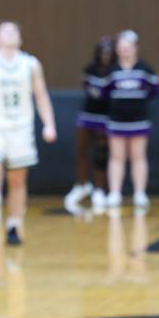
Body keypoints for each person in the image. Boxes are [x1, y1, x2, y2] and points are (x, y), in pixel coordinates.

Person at [0, 21, 57, 246]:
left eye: (14, 30)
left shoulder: (31, 64)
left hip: (21, 127)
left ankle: (14, 224)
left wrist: (49, 124)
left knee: (17, 180)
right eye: (5, 31)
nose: (10, 34)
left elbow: (41, 95)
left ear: (20, 38)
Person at [103, 30, 159, 210]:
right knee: (116, 157)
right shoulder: (112, 70)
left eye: (128, 47)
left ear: (135, 48)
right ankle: (114, 193)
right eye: (121, 47)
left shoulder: (145, 69)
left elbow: (155, 90)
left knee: (138, 156)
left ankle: (139, 193)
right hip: (116, 120)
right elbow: (104, 92)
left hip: (139, 120)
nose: (125, 50)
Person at [64, 37, 115, 212]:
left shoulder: (115, 71)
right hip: (88, 114)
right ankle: (82, 184)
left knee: (101, 153)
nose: (106, 54)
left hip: (106, 116)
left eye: (109, 50)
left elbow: (106, 94)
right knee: (81, 148)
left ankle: (100, 190)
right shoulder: (90, 69)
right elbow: (88, 88)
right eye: (103, 50)